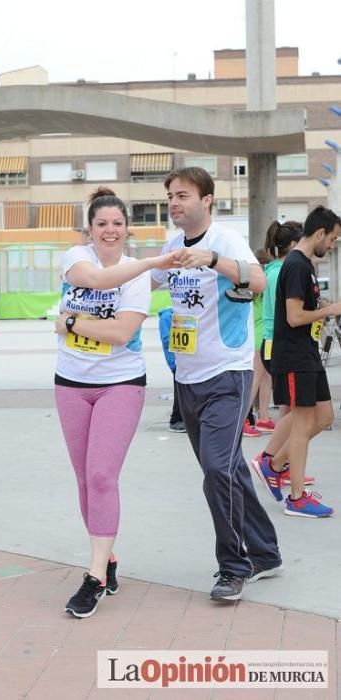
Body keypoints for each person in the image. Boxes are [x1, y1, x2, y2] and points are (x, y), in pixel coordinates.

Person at [151, 166, 282, 602]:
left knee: (216, 470)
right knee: (229, 469)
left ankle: (234, 566)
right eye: (171, 195)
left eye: (183, 195)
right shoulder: (171, 246)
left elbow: (258, 280)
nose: (174, 202)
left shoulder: (224, 241)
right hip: (187, 378)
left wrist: (211, 261)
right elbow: (141, 281)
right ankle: (266, 552)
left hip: (227, 374)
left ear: (207, 200)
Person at [54, 187, 180, 618]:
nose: (110, 230)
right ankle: (106, 555)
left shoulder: (136, 273)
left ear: (127, 228)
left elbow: (121, 334)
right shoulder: (75, 258)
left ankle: (94, 577)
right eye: (102, 224)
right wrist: (91, 321)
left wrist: (69, 321)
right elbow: (93, 281)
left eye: (117, 223)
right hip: (69, 383)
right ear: (90, 230)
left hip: (120, 384)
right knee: (84, 481)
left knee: (103, 475)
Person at [252, 205, 341, 517]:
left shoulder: (304, 264)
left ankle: (272, 464)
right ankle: (297, 497)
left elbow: (305, 307)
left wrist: (327, 305)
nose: (332, 246)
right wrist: (329, 311)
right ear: (319, 233)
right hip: (293, 355)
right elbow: (294, 317)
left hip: (307, 352)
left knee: (324, 415)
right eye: (332, 239)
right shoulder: (296, 265)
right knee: (302, 423)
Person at [251, 220, 316, 489]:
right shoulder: (281, 271)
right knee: (298, 412)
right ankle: (270, 460)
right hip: (276, 344)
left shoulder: (277, 269)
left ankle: (281, 464)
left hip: (274, 343)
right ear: (292, 244)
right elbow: (289, 314)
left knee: (292, 410)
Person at [243, 248, 274, 437]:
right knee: (258, 379)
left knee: (264, 378)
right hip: (263, 335)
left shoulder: (251, 287)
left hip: (257, 335)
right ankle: (245, 419)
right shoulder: (265, 284)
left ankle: (263, 417)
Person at [158, 307, 186, 432]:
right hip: (176, 360)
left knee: (185, 391)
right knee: (180, 391)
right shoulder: (167, 317)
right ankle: (176, 420)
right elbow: (167, 339)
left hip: (185, 360)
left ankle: (181, 419)